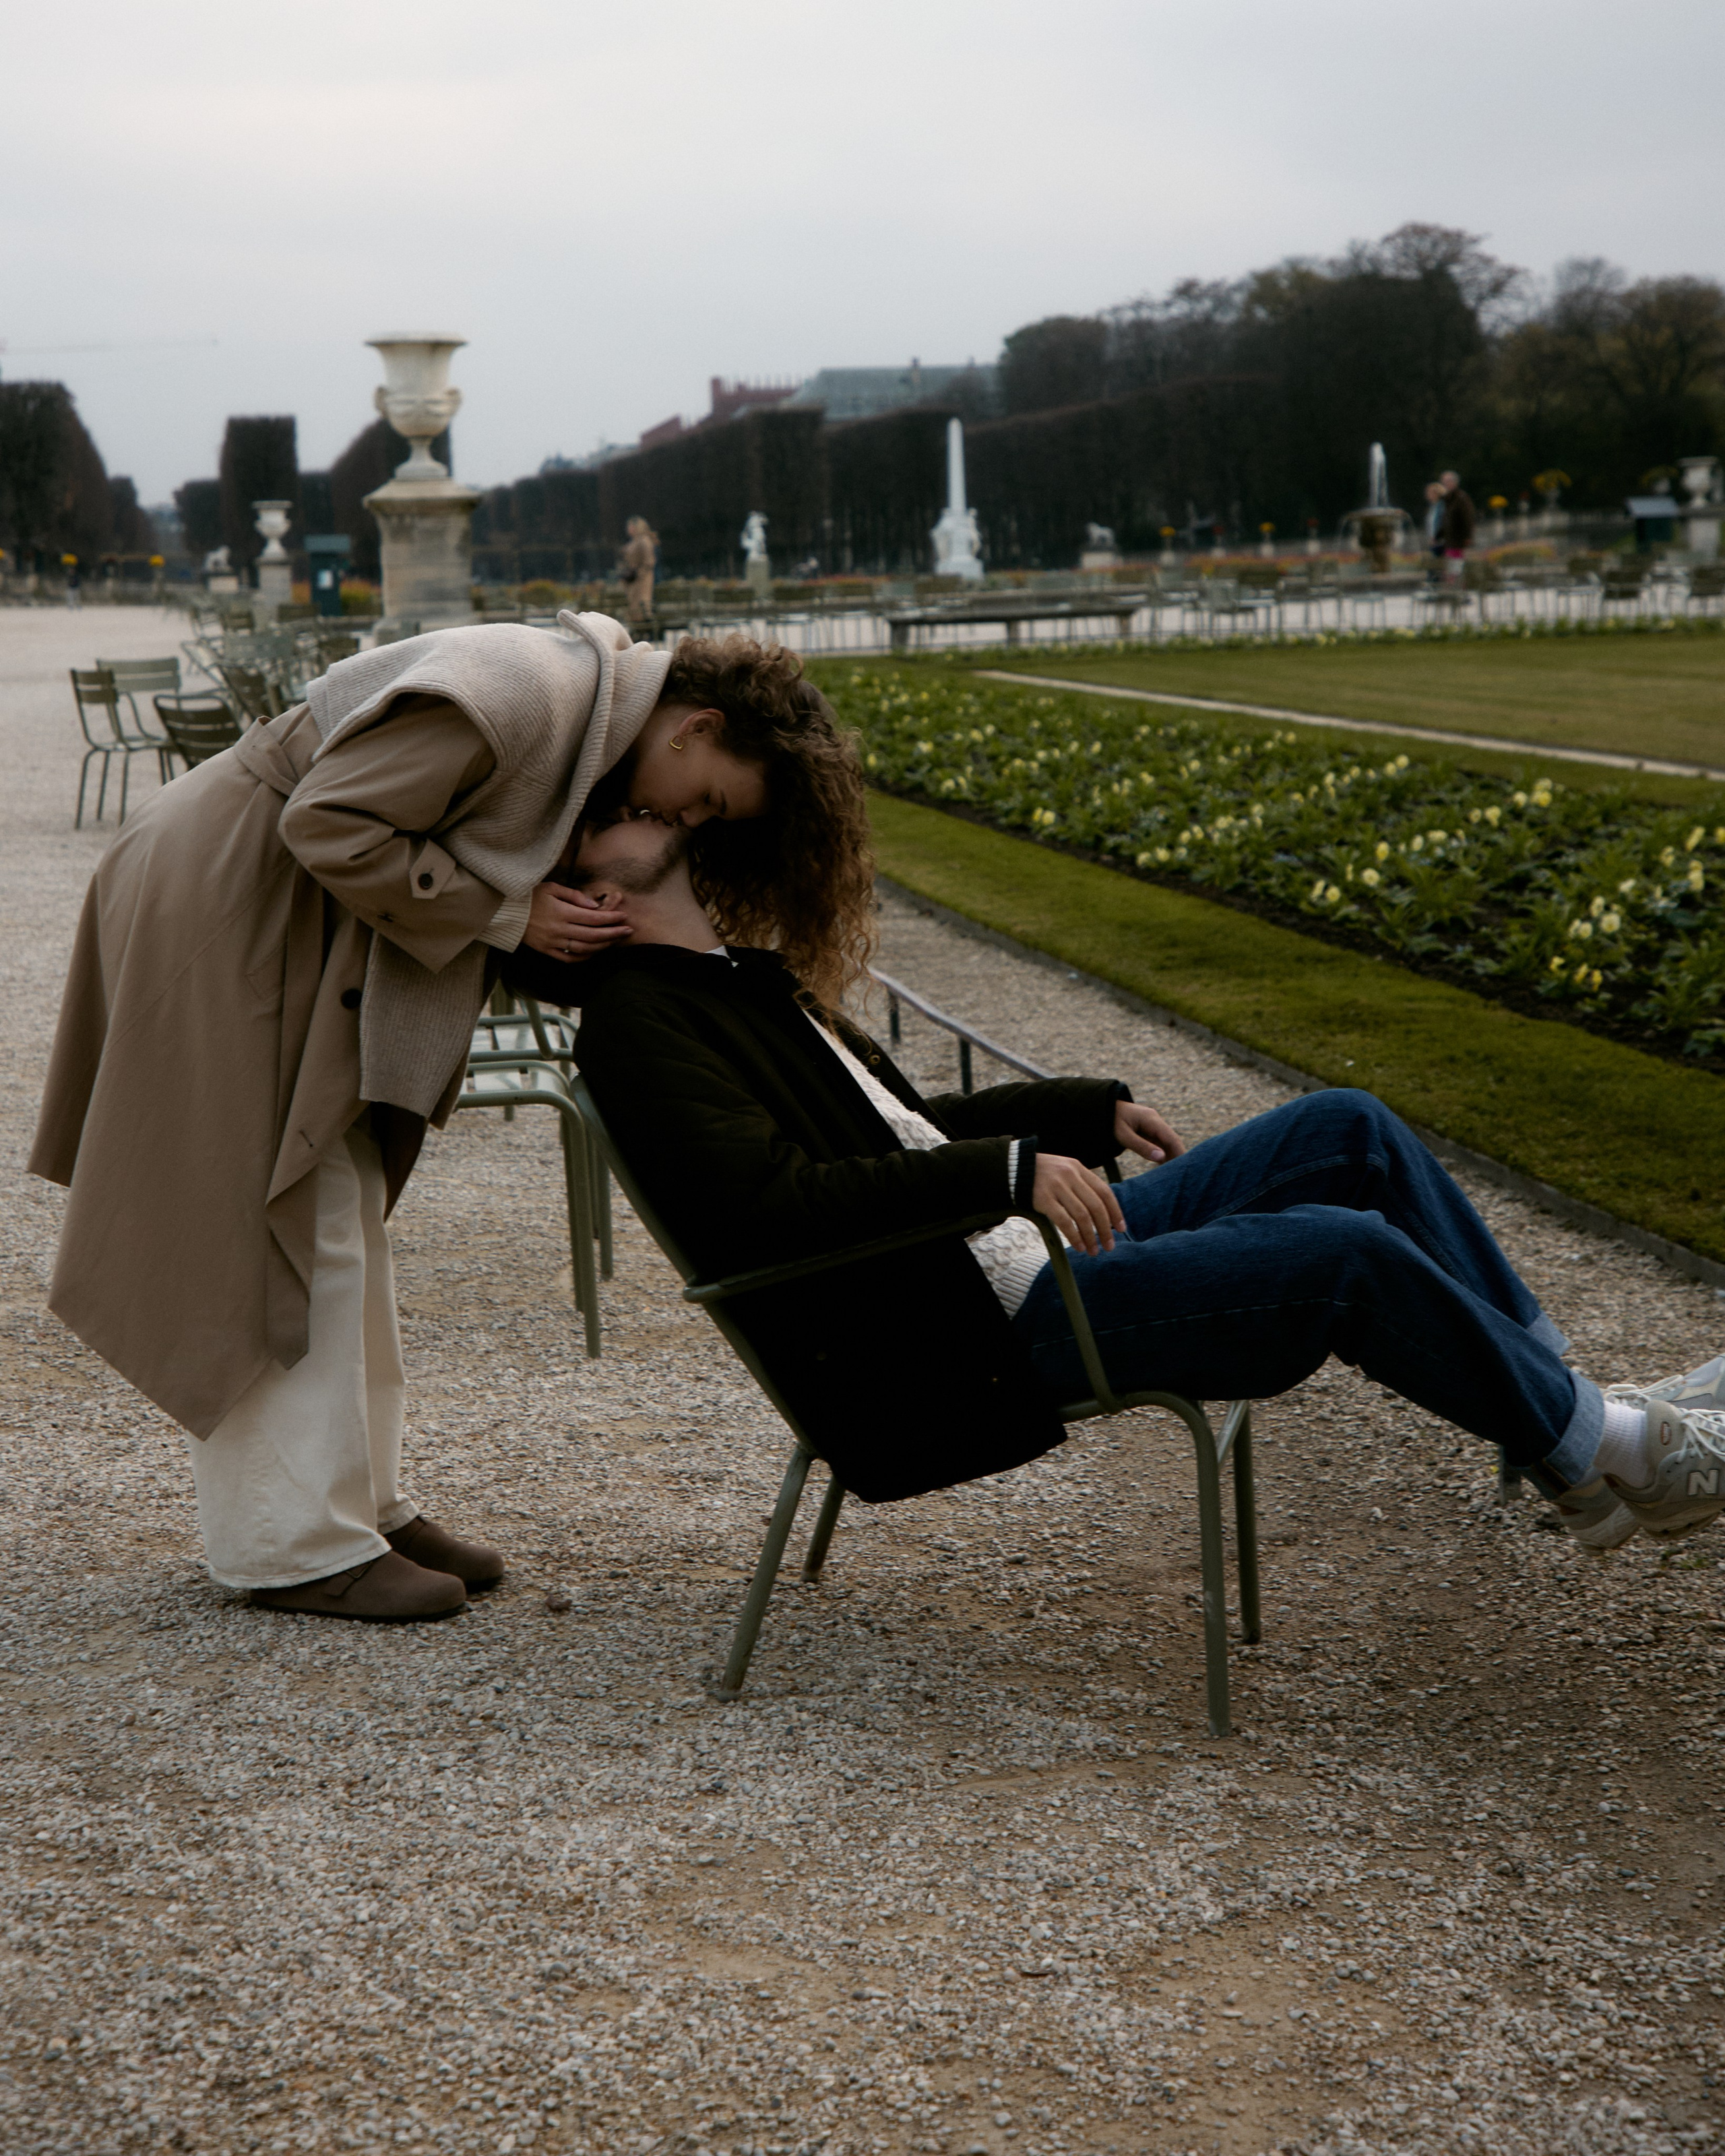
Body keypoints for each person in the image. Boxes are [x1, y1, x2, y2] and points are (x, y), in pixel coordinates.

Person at [550, 815, 1725, 1542]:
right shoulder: (641, 1022)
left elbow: (911, 1126)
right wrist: (1010, 1172)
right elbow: (768, 1212)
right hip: (966, 1328)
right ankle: (1621, 1452)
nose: (644, 798)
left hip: (998, 1258)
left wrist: (1080, 1112)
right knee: (1343, 1252)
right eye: (603, 817)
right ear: (594, 897)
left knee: (1347, 1130)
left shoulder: (735, 977)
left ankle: (1577, 1418)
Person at [30, 624, 872, 1620]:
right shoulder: (521, 692)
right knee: (289, 1220)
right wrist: (504, 917)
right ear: (698, 726)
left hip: (285, 905)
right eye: (708, 799)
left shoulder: (576, 712)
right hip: (230, 899)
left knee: (345, 1222)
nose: (680, 817)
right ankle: (291, 1545)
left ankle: (363, 1507)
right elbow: (329, 819)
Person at [620, 517, 658, 624]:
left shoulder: (644, 541)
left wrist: (638, 573)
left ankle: (644, 625)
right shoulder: (634, 541)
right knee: (633, 605)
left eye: (631, 526)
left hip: (642, 578)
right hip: (633, 578)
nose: (628, 529)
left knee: (642, 603)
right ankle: (637, 624)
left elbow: (649, 561)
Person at [1440, 470, 1476, 580]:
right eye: (1444, 482)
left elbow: (1468, 518)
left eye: (1448, 481)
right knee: (1450, 568)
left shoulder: (1461, 498)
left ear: (1454, 483)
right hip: (1450, 540)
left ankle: (1458, 588)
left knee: (1456, 567)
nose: (1445, 484)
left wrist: (1468, 536)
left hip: (1458, 540)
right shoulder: (1447, 498)